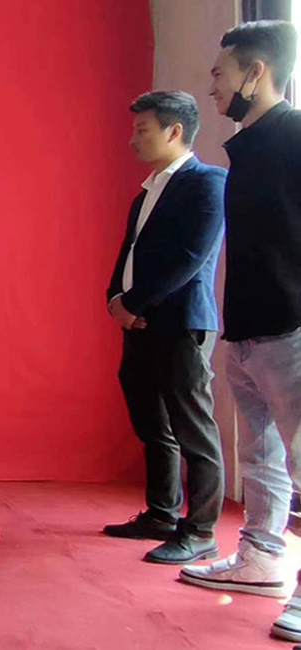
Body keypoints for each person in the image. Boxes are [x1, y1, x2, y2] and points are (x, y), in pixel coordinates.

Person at [177, 20, 301, 643]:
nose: (213, 87)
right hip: (246, 328)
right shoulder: (245, 147)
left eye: (220, 74)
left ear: (257, 72)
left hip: (292, 327)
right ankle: (259, 557)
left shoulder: (296, 136)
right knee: (259, 455)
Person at [103, 91, 227, 565]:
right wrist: (115, 300)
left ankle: (201, 530)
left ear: (175, 131)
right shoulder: (146, 192)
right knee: (152, 424)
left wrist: (134, 303)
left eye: (143, 130)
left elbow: (190, 258)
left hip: (181, 323)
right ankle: (161, 513)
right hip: (138, 323)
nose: (133, 139)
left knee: (193, 429)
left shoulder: (207, 183)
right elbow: (129, 253)